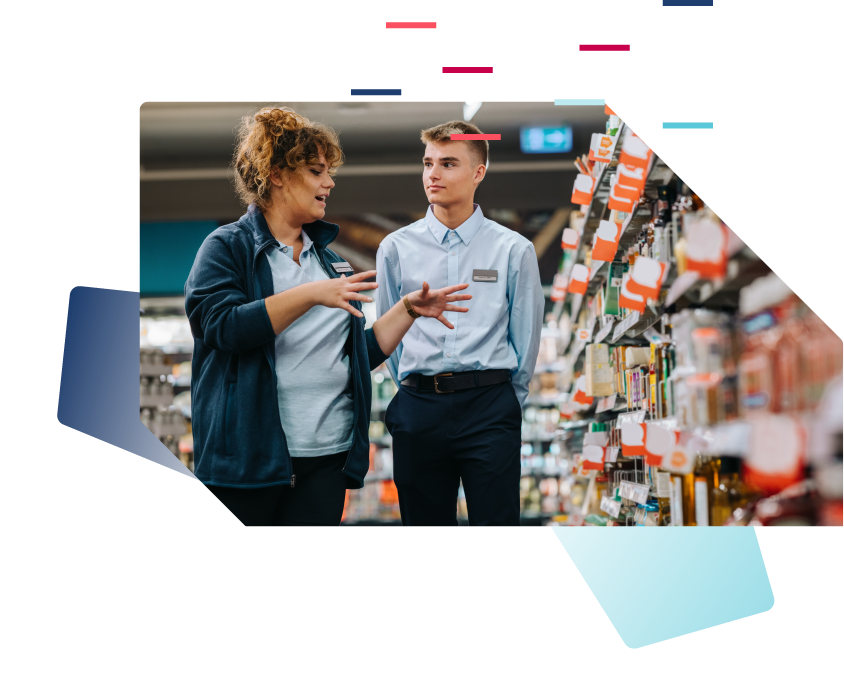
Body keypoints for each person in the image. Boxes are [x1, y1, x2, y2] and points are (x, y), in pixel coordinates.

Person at [184, 106, 471, 528]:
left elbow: (356, 354)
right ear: (278, 173)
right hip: (247, 461)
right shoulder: (228, 247)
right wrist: (311, 295)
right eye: (317, 171)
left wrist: (408, 310)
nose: (329, 182)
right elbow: (220, 326)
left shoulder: (330, 262)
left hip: (325, 458)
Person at [375, 120, 544, 528]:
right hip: (418, 407)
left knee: (497, 523)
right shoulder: (395, 249)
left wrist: (504, 401)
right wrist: (415, 391)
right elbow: (387, 336)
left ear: (478, 173)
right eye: (428, 162)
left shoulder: (513, 250)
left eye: (448, 163)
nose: (432, 174)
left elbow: (526, 338)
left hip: (490, 407)